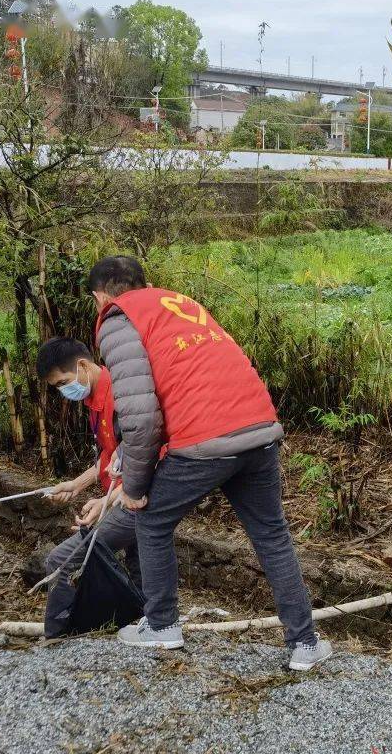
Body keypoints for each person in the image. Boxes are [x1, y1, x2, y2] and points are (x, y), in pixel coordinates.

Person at [88, 255, 331, 670]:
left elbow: (141, 414)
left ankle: (161, 625)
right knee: (272, 535)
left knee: (150, 519)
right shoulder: (180, 304)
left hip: (205, 439)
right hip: (259, 427)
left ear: (101, 295)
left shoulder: (119, 318)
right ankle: (305, 645)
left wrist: (134, 487)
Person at [36, 338, 140, 591]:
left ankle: (61, 628)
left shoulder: (122, 395)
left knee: (62, 560)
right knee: (140, 567)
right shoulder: (94, 400)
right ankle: (146, 620)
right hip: (124, 496)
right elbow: (110, 456)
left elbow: (150, 456)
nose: (63, 391)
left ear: (82, 365)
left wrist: (107, 503)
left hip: (138, 498)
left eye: (62, 382)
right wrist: (75, 485)